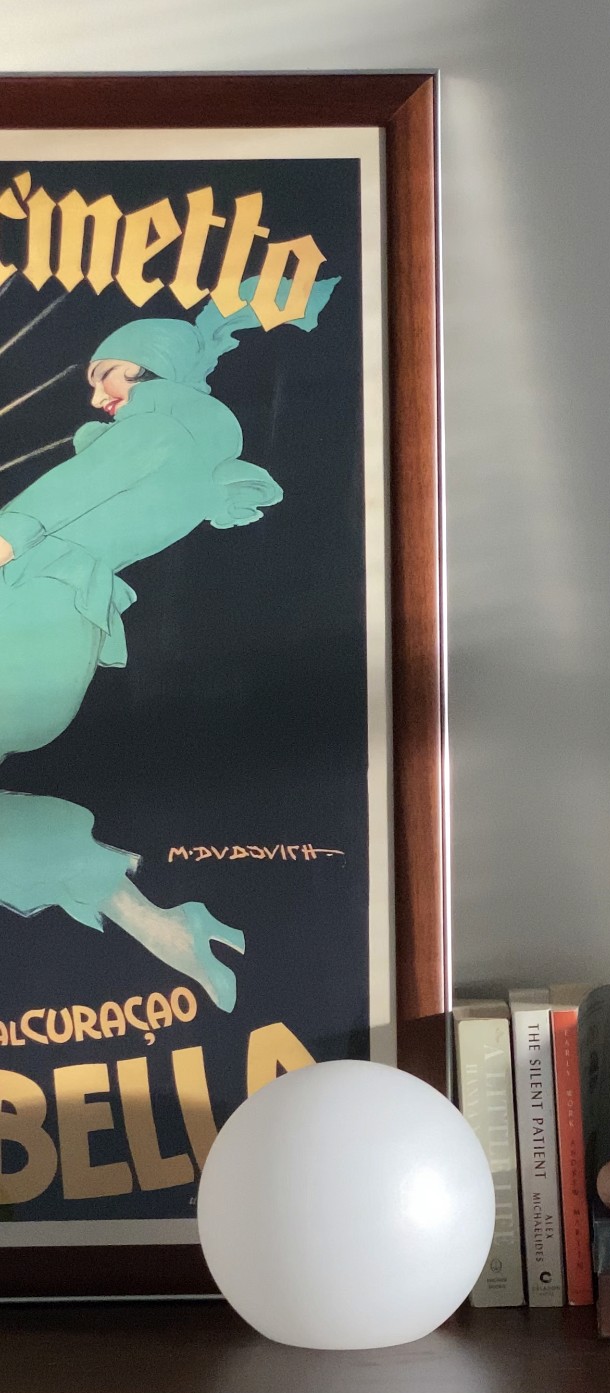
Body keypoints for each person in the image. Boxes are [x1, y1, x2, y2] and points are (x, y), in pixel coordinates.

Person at [0, 274, 337, 1010]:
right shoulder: (198, 437)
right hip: (60, 633)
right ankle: (157, 924)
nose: (97, 396)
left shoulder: (165, 422)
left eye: (107, 374)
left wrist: (6, 535)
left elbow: (66, 496)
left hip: (29, 611)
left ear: (149, 361)